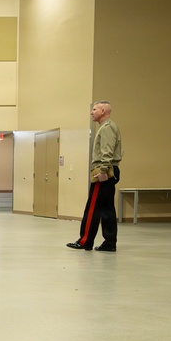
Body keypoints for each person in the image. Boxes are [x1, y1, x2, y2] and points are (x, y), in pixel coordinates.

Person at [67, 100, 123, 252]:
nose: (92, 112)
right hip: (109, 169)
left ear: (103, 111)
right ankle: (109, 243)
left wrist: (103, 170)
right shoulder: (107, 127)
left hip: (104, 171)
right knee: (107, 209)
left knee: (93, 207)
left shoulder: (106, 128)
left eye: (95, 109)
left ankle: (85, 241)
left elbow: (107, 150)